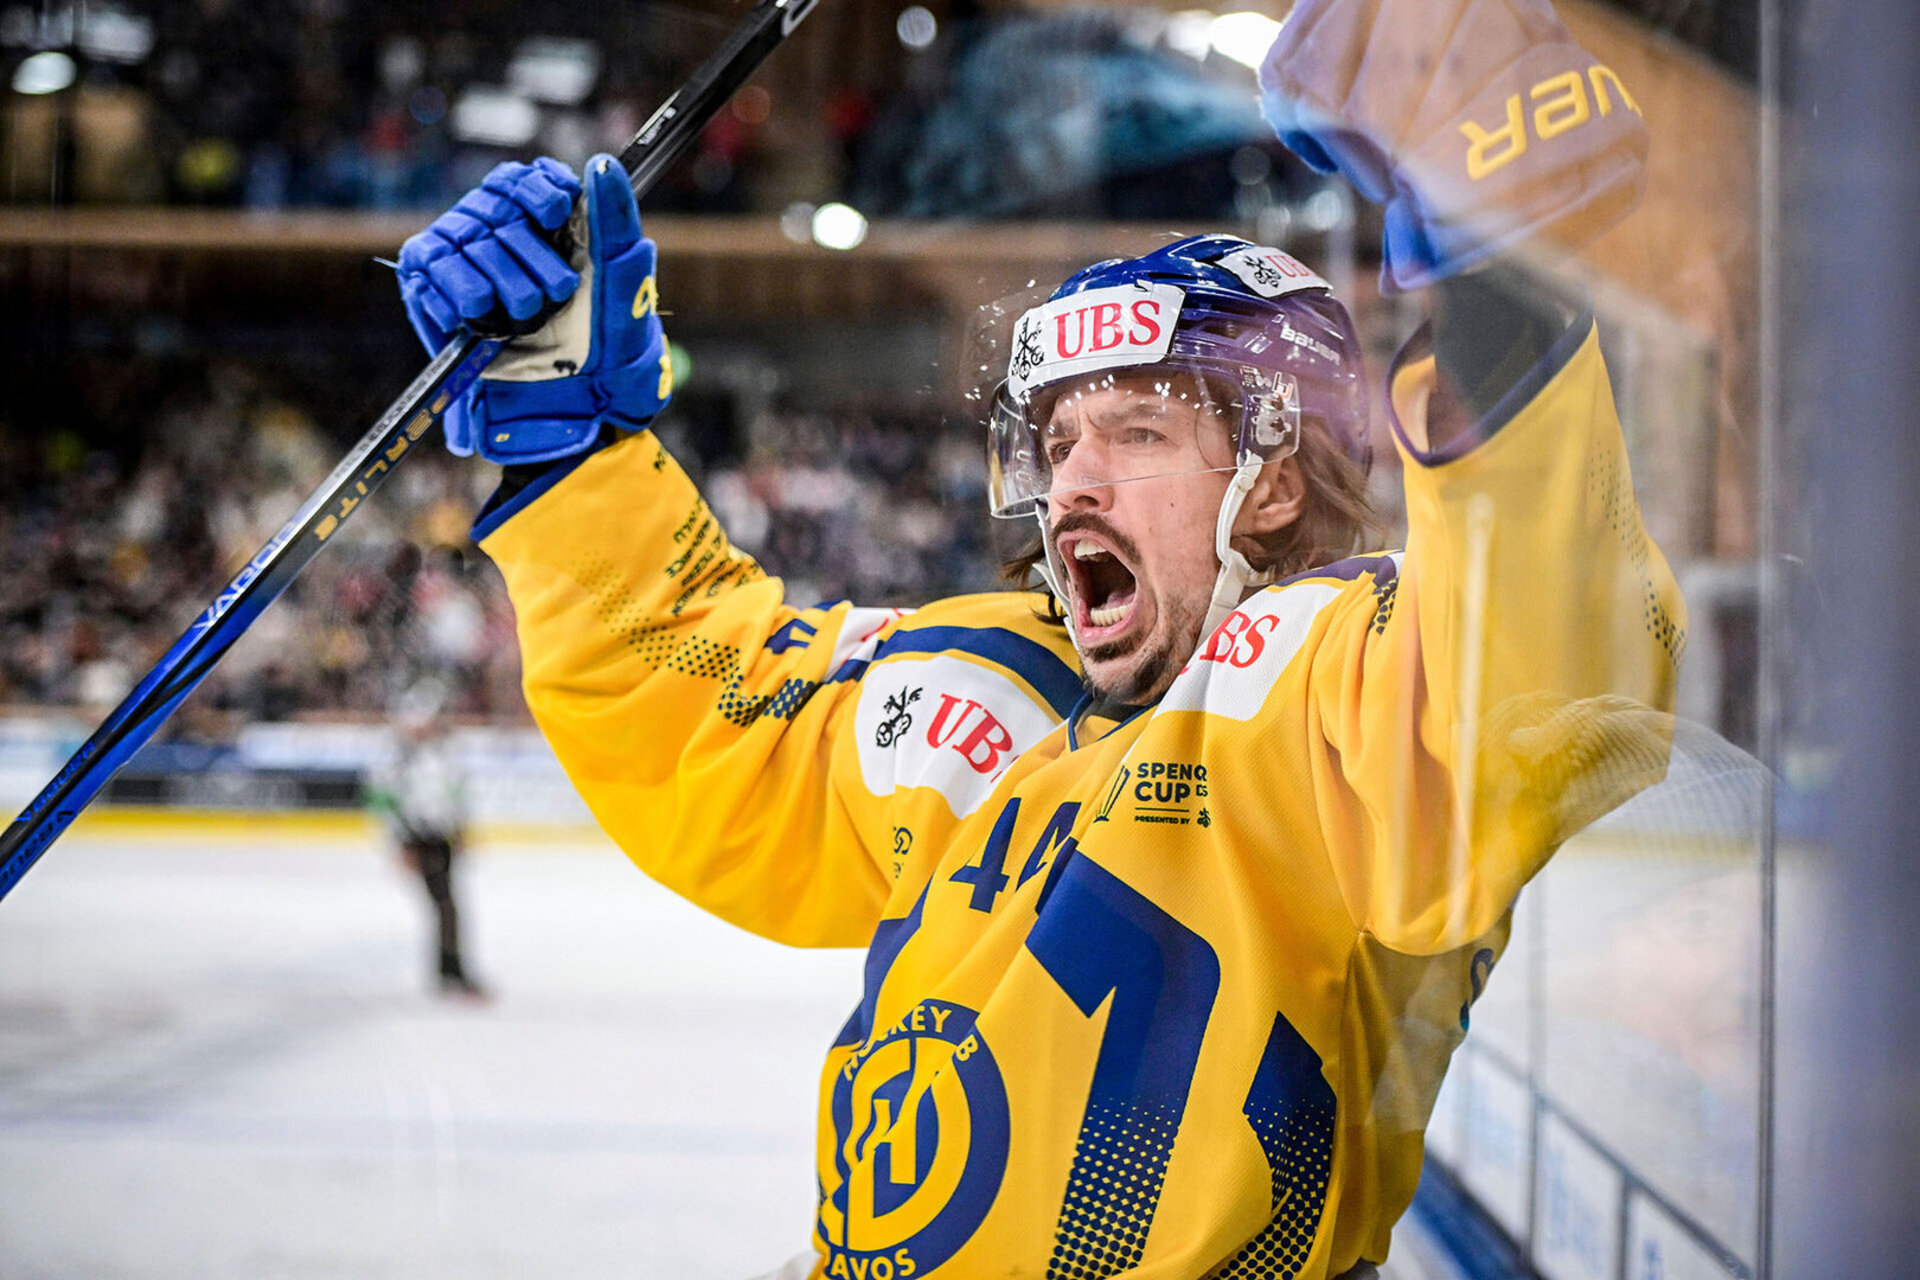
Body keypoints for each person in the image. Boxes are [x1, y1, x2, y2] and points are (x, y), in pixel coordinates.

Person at [394, 1, 1682, 1274]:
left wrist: (1503, 294)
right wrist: (572, 458)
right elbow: (720, 706)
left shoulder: (1338, 679)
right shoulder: (989, 674)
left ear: (1277, 477)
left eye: (1136, 433)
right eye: (1058, 440)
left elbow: (1526, 680)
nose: (1073, 484)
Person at [365, 678, 486, 998]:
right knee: (445, 906)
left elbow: (454, 796)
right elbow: (385, 804)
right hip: (418, 838)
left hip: (441, 837)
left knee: (447, 907)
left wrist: (459, 830)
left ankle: (450, 971)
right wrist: (402, 844)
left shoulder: (443, 752)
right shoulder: (398, 758)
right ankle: (451, 972)